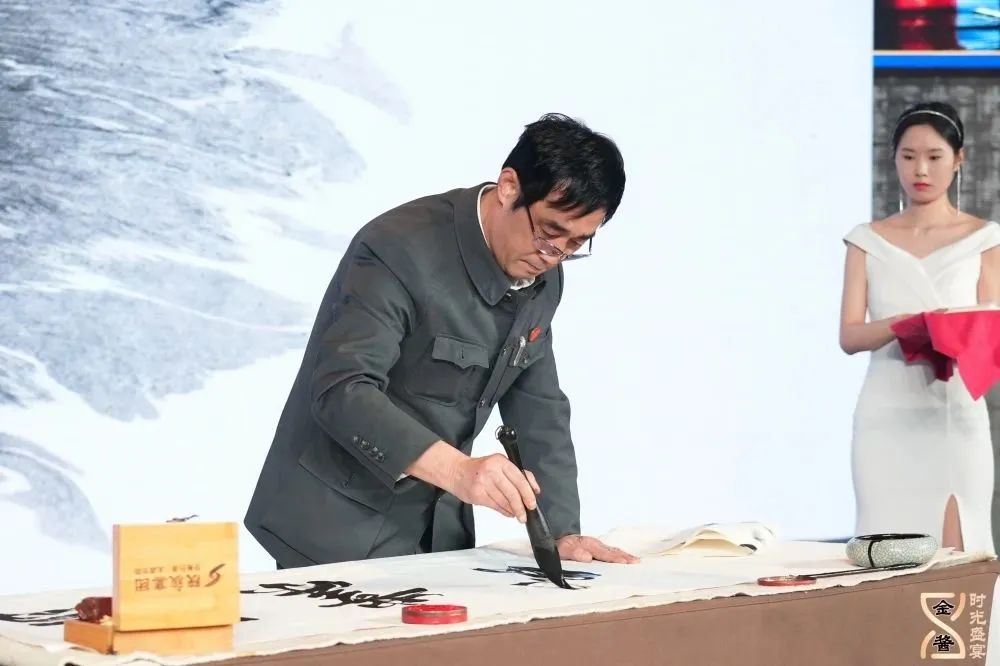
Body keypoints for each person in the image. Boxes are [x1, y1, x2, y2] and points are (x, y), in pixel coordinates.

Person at [245, 113, 639, 569]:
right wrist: (461, 472)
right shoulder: (396, 247)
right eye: (549, 232)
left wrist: (561, 532)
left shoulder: (542, 276)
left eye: (576, 244)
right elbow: (343, 390)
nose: (554, 256)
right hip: (334, 526)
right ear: (509, 186)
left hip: (437, 533)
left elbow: (539, 406)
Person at [839, 101, 1000, 553]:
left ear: (958, 159)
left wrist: (951, 330)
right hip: (885, 420)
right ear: (894, 159)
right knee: (887, 552)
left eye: (934, 156)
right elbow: (849, 336)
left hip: (954, 417)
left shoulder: (985, 238)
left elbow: (992, 328)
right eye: (908, 157)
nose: (920, 170)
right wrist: (902, 325)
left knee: (957, 554)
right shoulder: (866, 240)